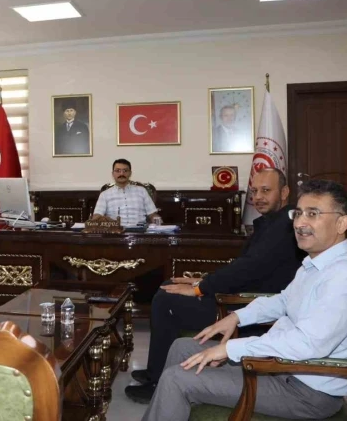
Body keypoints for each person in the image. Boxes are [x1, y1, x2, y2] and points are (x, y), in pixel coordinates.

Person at [142, 179, 347, 421]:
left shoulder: (346, 278)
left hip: (305, 390)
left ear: (341, 223)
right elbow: (283, 301)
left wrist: (230, 348)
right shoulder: (315, 264)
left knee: (176, 379)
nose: (300, 223)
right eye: (298, 213)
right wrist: (237, 317)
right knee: (182, 347)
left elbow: (307, 345)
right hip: (282, 368)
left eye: (313, 214)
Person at [126, 167, 302, 403]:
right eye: (254, 191)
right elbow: (245, 268)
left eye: (266, 190)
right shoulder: (274, 222)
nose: (258, 197)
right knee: (168, 286)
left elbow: (247, 269)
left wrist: (200, 288)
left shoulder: (284, 227)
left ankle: (157, 382)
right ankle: (155, 371)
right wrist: (201, 281)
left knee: (166, 301)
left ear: (284, 192)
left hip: (250, 310)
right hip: (244, 296)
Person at [91, 159, 161, 226]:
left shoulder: (142, 191)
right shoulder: (105, 194)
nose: (121, 173)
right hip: (115, 231)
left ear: (130, 173)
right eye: (118, 171)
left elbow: (152, 214)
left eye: (125, 170)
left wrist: (158, 223)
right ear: (113, 174)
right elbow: (97, 216)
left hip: (139, 231)